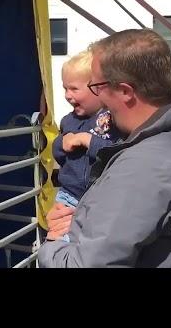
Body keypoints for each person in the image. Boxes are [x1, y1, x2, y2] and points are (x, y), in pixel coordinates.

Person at [38, 29, 171, 267]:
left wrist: (53, 243)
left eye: (97, 86)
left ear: (125, 91)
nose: (99, 98)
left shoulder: (144, 167)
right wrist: (83, 220)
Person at [52, 51, 122, 241]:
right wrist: (61, 142)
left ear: (97, 89)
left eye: (74, 89)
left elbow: (116, 151)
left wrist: (87, 140)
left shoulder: (111, 119)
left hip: (99, 199)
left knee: (92, 245)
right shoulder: (68, 121)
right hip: (68, 196)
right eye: (65, 88)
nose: (67, 95)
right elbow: (58, 155)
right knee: (60, 241)